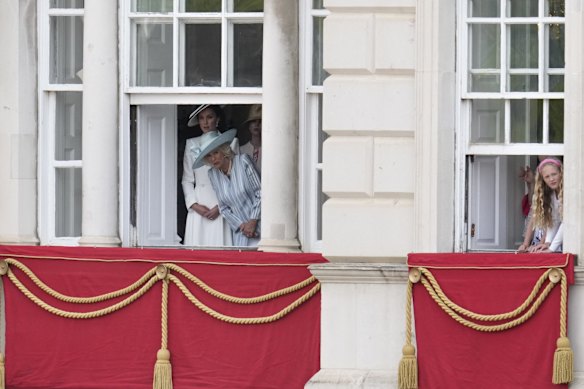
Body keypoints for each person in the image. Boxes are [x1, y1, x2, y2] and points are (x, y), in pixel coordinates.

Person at [191, 129, 261, 247]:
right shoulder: (213, 174)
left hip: (261, 229)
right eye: (208, 156)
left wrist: (253, 221)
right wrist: (241, 226)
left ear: (224, 150)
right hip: (241, 235)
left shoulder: (243, 161)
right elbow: (223, 208)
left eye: (216, 153)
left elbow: (260, 193)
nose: (213, 159)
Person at [181, 104, 233, 246]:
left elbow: (235, 179)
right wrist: (194, 205)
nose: (205, 122)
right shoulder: (191, 143)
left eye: (209, 117)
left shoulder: (231, 142)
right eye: (202, 118)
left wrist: (221, 206)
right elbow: (187, 180)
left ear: (217, 120)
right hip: (199, 204)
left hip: (222, 202)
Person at [524, 158, 563, 253]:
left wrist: (551, 248)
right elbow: (554, 220)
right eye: (547, 177)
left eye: (554, 174)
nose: (551, 179)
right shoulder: (551, 195)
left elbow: (567, 223)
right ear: (543, 180)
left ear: (561, 173)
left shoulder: (568, 191)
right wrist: (547, 242)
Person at [239, 104, 262, 173]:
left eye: (260, 121)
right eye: (253, 121)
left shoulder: (269, 150)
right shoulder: (241, 150)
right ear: (249, 125)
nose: (257, 124)